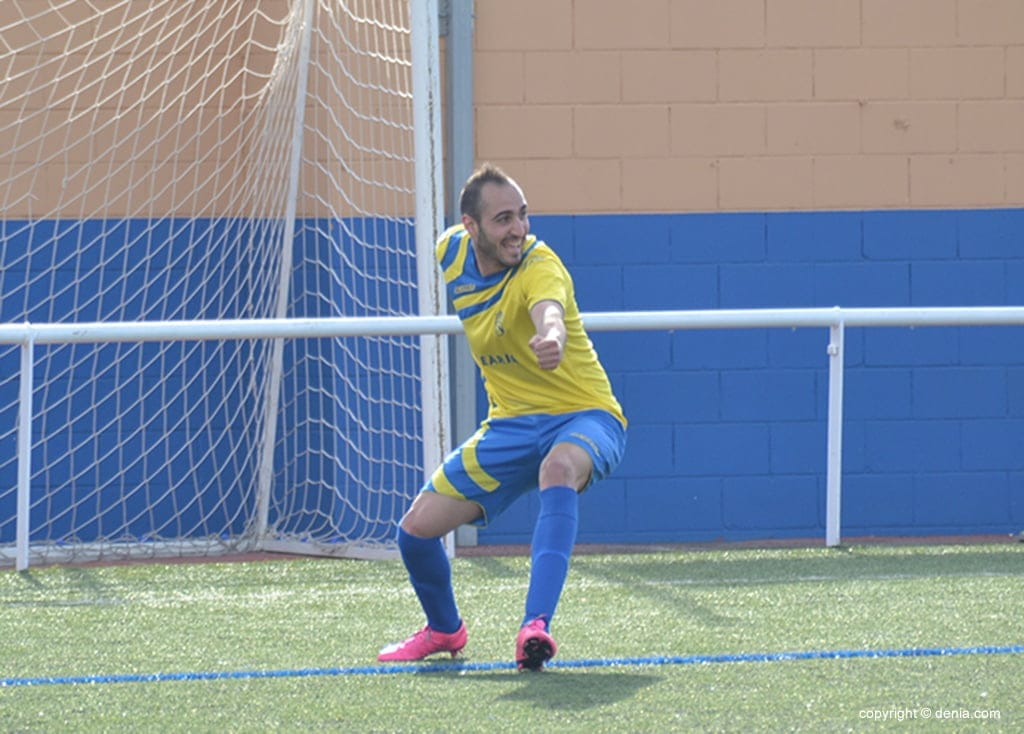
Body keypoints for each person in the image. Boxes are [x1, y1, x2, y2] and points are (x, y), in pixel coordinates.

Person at [377, 163, 627, 671]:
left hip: (584, 415)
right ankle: (444, 629)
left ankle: (536, 627)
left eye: (523, 215)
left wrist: (552, 335)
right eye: (504, 219)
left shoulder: (539, 264)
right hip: (510, 425)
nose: (519, 230)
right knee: (416, 532)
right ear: (470, 227)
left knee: (558, 468)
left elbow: (549, 310)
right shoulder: (451, 252)